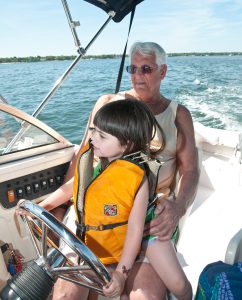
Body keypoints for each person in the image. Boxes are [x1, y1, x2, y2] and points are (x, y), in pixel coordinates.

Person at [24, 41, 199, 299]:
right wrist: (61, 207)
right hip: (96, 214)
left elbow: (192, 170)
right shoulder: (107, 104)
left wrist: (178, 207)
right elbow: (82, 159)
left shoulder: (178, 115)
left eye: (146, 69)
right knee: (66, 294)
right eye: (133, 68)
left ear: (163, 72)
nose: (138, 76)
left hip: (150, 221)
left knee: (147, 296)